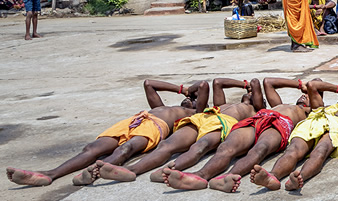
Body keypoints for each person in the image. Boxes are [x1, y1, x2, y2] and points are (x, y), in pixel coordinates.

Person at [7, 80, 209, 187]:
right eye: (189, 97)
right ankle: (50, 174)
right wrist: (182, 89)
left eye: (193, 98)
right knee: (92, 149)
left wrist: (192, 94)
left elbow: (203, 85)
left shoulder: (194, 113)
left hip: (155, 127)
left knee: (126, 149)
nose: (190, 98)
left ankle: (92, 173)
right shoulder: (160, 106)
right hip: (135, 120)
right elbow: (149, 83)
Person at [96, 78, 263, 183]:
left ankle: (168, 171)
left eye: (256, 96)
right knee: (167, 145)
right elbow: (218, 82)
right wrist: (244, 85)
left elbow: (256, 83)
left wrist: (251, 87)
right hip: (205, 117)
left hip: (224, 122)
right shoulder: (220, 104)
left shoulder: (255, 110)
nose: (251, 94)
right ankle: (133, 170)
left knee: (200, 146)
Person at [164, 78, 310, 192]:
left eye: (308, 96)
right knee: (227, 147)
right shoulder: (277, 103)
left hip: (280, 123)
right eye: (304, 94)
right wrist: (300, 84)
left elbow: (317, 87)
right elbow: (268, 82)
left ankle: (227, 177)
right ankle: (201, 175)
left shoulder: (310, 111)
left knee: (261, 148)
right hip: (258, 118)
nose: (304, 96)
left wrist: (310, 88)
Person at [250, 79, 338, 191]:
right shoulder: (322, 108)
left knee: (320, 151)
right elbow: (313, 85)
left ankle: (300, 177)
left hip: (336, 125)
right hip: (314, 120)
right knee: (293, 150)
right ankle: (273, 176)